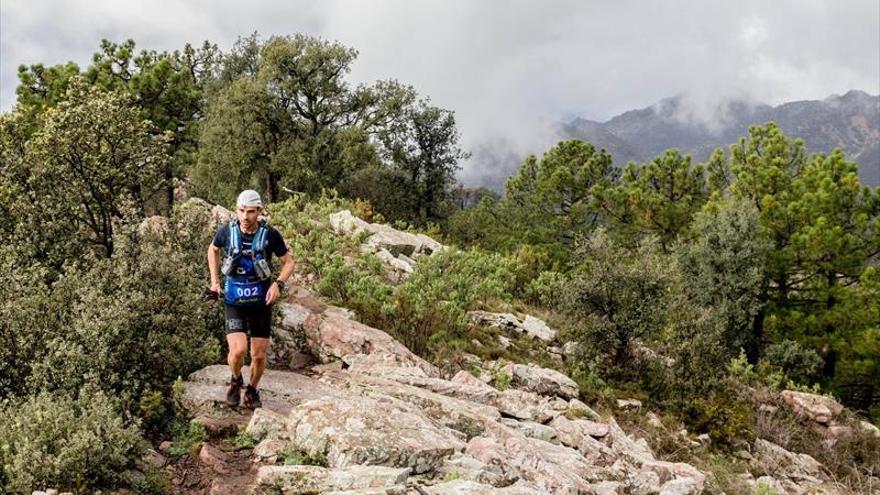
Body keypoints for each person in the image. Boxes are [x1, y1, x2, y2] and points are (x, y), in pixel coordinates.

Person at [207, 189, 294, 408]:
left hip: (260, 302)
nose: (246, 217)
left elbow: (289, 263)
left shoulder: (270, 235)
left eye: (251, 212)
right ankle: (236, 379)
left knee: (258, 355)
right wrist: (215, 282)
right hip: (234, 300)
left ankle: (252, 390)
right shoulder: (227, 231)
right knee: (237, 351)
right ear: (236, 210)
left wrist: (278, 284)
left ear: (259, 211)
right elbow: (213, 249)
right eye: (241, 211)